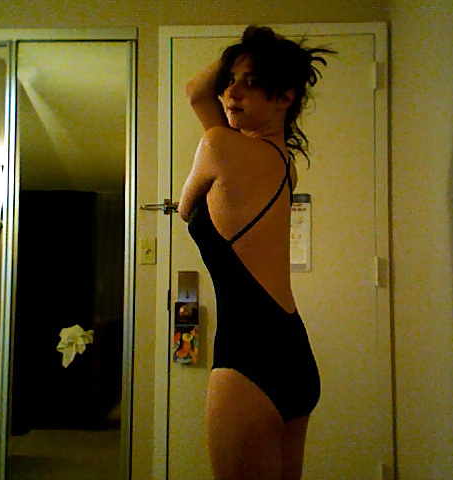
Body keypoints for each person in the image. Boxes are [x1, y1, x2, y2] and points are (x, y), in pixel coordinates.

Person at [178, 26, 334, 480]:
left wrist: (252, 51)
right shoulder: (286, 166)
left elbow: (186, 208)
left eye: (251, 82)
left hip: (248, 361)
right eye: (230, 80)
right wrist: (249, 52)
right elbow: (198, 92)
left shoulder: (219, 145)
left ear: (284, 98)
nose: (231, 92)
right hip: (293, 356)